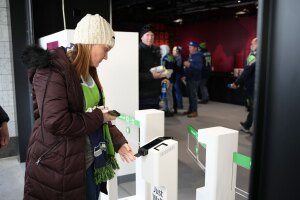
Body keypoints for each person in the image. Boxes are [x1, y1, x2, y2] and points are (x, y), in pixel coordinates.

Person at [21, 14, 135, 200]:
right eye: (105, 49)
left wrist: (118, 141)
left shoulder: (88, 74)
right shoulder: (52, 71)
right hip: (60, 167)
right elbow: (57, 122)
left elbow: (97, 114)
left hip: (90, 163)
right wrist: (99, 117)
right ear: (90, 43)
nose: (106, 57)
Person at [229, 37, 257, 134]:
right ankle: (247, 124)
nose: (250, 46)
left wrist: (236, 83)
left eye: (252, 44)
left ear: (257, 44)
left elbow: (246, 72)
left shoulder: (253, 56)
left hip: (253, 86)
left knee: (255, 107)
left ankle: (248, 125)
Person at [139, 24, 169, 110]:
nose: (150, 37)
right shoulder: (137, 51)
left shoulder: (156, 50)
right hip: (142, 95)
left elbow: (160, 69)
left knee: (155, 121)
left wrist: (164, 78)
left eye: (152, 35)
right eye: (147, 35)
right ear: (141, 37)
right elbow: (133, 75)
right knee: (144, 122)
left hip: (155, 94)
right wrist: (151, 75)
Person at [182, 41, 203, 118]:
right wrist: (185, 75)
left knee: (193, 96)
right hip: (189, 78)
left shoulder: (198, 56)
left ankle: (194, 111)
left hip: (194, 79)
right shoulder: (192, 55)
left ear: (195, 48)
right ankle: (190, 110)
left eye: (190, 47)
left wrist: (189, 64)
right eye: (189, 47)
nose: (189, 48)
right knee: (190, 95)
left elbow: (199, 68)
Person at [160, 44, 175, 116]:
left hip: (168, 79)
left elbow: (171, 69)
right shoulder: (163, 57)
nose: (160, 51)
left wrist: (167, 78)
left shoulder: (169, 57)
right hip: (163, 78)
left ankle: (170, 109)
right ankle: (165, 108)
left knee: (169, 94)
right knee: (164, 95)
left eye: (161, 49)